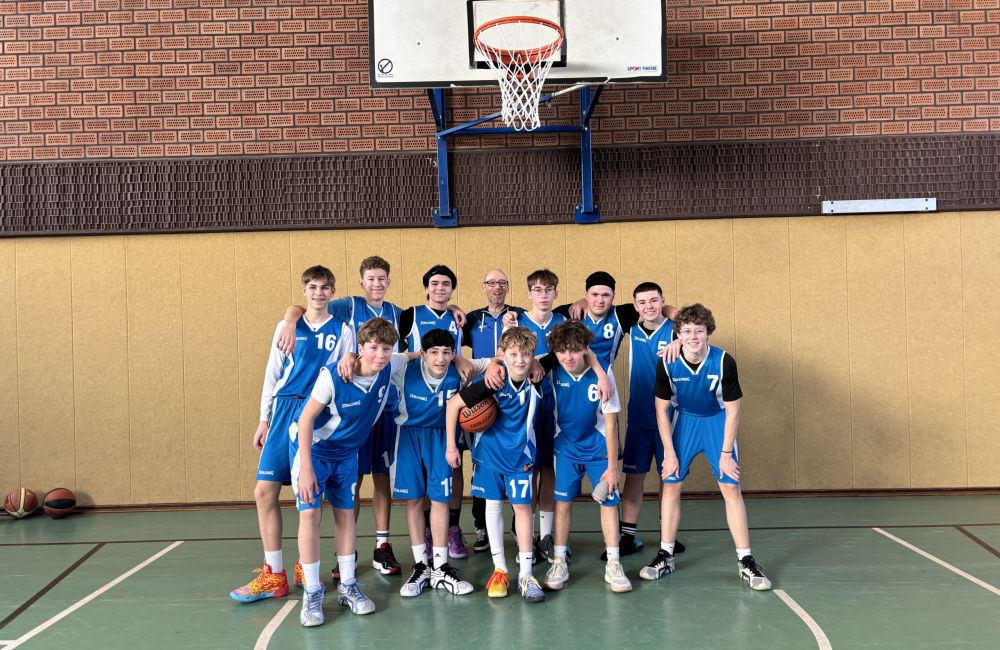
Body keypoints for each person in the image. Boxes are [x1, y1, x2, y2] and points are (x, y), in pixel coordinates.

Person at [445, 327, 609, 603]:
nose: (520, 360)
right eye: (513, 355)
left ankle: (525, 573)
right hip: (489, 456)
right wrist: (452, 446)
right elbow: (453, 406)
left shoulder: (537, 374)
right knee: (493, 506)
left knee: (523, 508)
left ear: (534, 355)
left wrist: (601, 372)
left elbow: (579, 345)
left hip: (521, 456)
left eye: (526, 354)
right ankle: (500, 570)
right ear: (503, 355)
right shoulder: (490, 382)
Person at [230, 265, 354, 603]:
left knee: (310, 496)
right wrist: (263, 419)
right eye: (313, 287)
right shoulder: (287, 327)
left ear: (333, 291)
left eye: (325, 287)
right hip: (282, 408)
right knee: (264, 491)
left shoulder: (343, 329)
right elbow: (272, 374)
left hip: (314, 411)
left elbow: (344, 374)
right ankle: (273, 574)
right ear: (304, 291)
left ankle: (304, 564)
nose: (319, 293)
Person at [278, 255, 406, 578]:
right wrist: (290, 321)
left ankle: (381, 545)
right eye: (370, 279)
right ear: (361, 282)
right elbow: (305, 308)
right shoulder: (347, 306)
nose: (376, 284)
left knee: (380, 476)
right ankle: (342, 555)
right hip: (346, 406)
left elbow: (414, 352)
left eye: (382, 278)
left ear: (389, 282)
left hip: (382, 408)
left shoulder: (400, 315)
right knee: (352, 481)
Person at [549, 271, 685, 557]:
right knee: (633, 474)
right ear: (585, 296)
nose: (599, 299)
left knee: (667, 475)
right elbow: (544, 310)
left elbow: (689, 323)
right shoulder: (569, 314)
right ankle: (623, 537)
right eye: (593, 295)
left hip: (644, 402)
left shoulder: (626, 318)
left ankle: (667, 537)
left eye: (606, 295)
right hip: (615, 401)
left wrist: (676, 322)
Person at [292, 318, 417, 627]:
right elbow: (306, 420)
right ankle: (311, 591)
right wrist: (306, 467)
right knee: (310, 515)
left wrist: (458, 358)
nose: (380, 355)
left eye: (386, 348)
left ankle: (348, 586)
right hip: (315, 452)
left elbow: (415, 356)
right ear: (359, 349)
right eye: (372, 348)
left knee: (346, 515)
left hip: (346, 454)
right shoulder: (334, 377)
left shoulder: (390, 365)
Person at [639, 304, 771, 591]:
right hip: (684, 422)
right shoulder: (667, 362)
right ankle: (666, 554)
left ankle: (745, 560)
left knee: (730, 487)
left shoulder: (724, 361)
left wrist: (725, 454)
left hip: (716, 422)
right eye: (686, 331)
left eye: (699, 331)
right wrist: (669, 453)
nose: (693, 337)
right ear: (678, 334)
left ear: (708, 332)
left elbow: (734, 411)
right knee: (670, 483)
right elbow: (661, 410)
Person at [392, 329, 490, 597]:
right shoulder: (404, 368)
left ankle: (441, 566)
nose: (440, 359)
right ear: (423, 354)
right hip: (408, 436)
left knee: (440, 500)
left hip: (441, 438)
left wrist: (463, 359)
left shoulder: (460, 370)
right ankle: (421, 565)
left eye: (446, 352)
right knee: (413, 500)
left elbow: (496, 360)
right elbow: (374, 359)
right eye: (433, 352)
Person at [540, 321, 632, 593]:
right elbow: (516, 361)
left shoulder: (603, 374)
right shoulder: (550, 370)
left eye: (575, 350)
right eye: (562, 351)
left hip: (598, 448)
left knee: (608, 502)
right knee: (563, 503)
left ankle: (614, 563)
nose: (568, 357)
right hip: (565, 447)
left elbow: (613, 423)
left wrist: (613, 466)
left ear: (585, 350)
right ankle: (559, 560)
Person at [397, 264, 474, 560]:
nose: (440, 288)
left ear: (452, 289)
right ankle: (429, 532)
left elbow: (461, 353)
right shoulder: (409, 315)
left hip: (448, 402)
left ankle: (451, 527)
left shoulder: (460, 319)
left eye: (446, 284)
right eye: (435, 283)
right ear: (426, 287)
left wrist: (460, 360)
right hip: (417, 401)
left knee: (452, 467)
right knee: (421, 475)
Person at [461, 268, 523, 552]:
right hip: (481, 401)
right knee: (481, 466)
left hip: (514, 398)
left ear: (508, 287)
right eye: (491, 283)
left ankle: (518, 524)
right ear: (483, 287)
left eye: (502, 283)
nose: (496, 287)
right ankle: (480, 527)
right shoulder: (471, 319)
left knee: (519, 462)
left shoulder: (520, 314)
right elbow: (452, 347)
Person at [507, 269, 565, 561]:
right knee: (526, 470)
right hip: (522, 406)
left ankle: (546, 536)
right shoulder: (516, 322)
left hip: (555, 404)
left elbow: (577, 351)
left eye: (549, 289)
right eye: (538, 290)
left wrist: (542, 361)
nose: (543, 295)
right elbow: (502, 355)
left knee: (549, 469)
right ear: (529, 293)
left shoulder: (563, 323)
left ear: (556, 293)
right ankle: (525, 536)